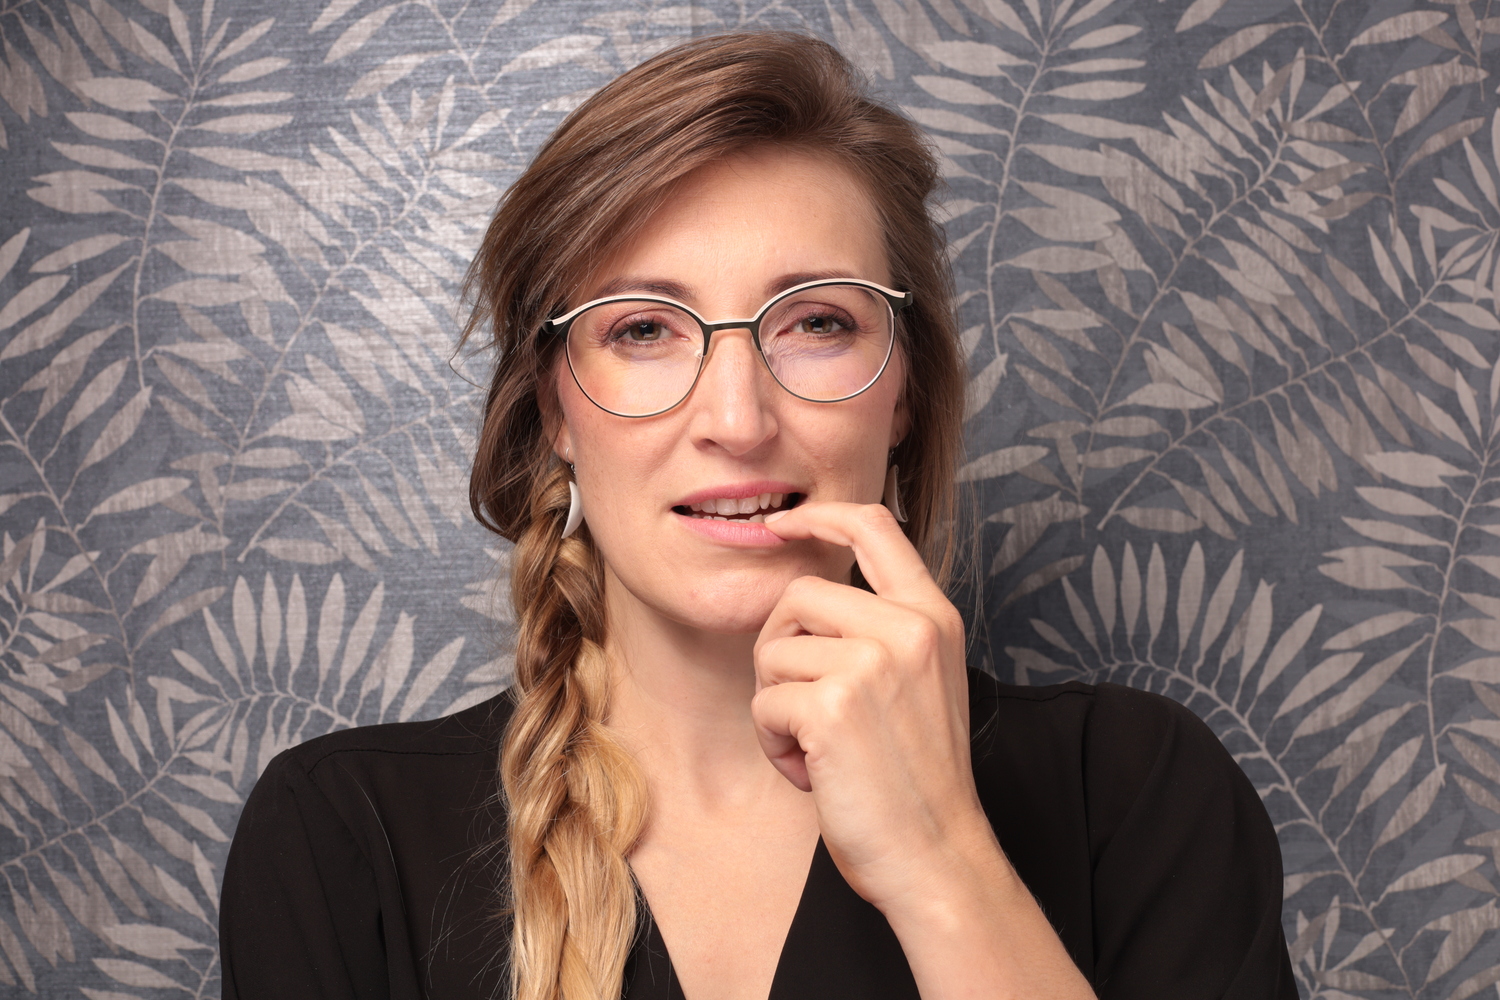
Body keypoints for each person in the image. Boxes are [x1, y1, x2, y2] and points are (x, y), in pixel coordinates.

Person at [219, 30, 1297, 1000]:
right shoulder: (338, 839)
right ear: (555, 406)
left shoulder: (1139, 792)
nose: (737, 421)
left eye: (817, 322)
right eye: (643, 329)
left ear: (903, 391)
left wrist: (940, 862)